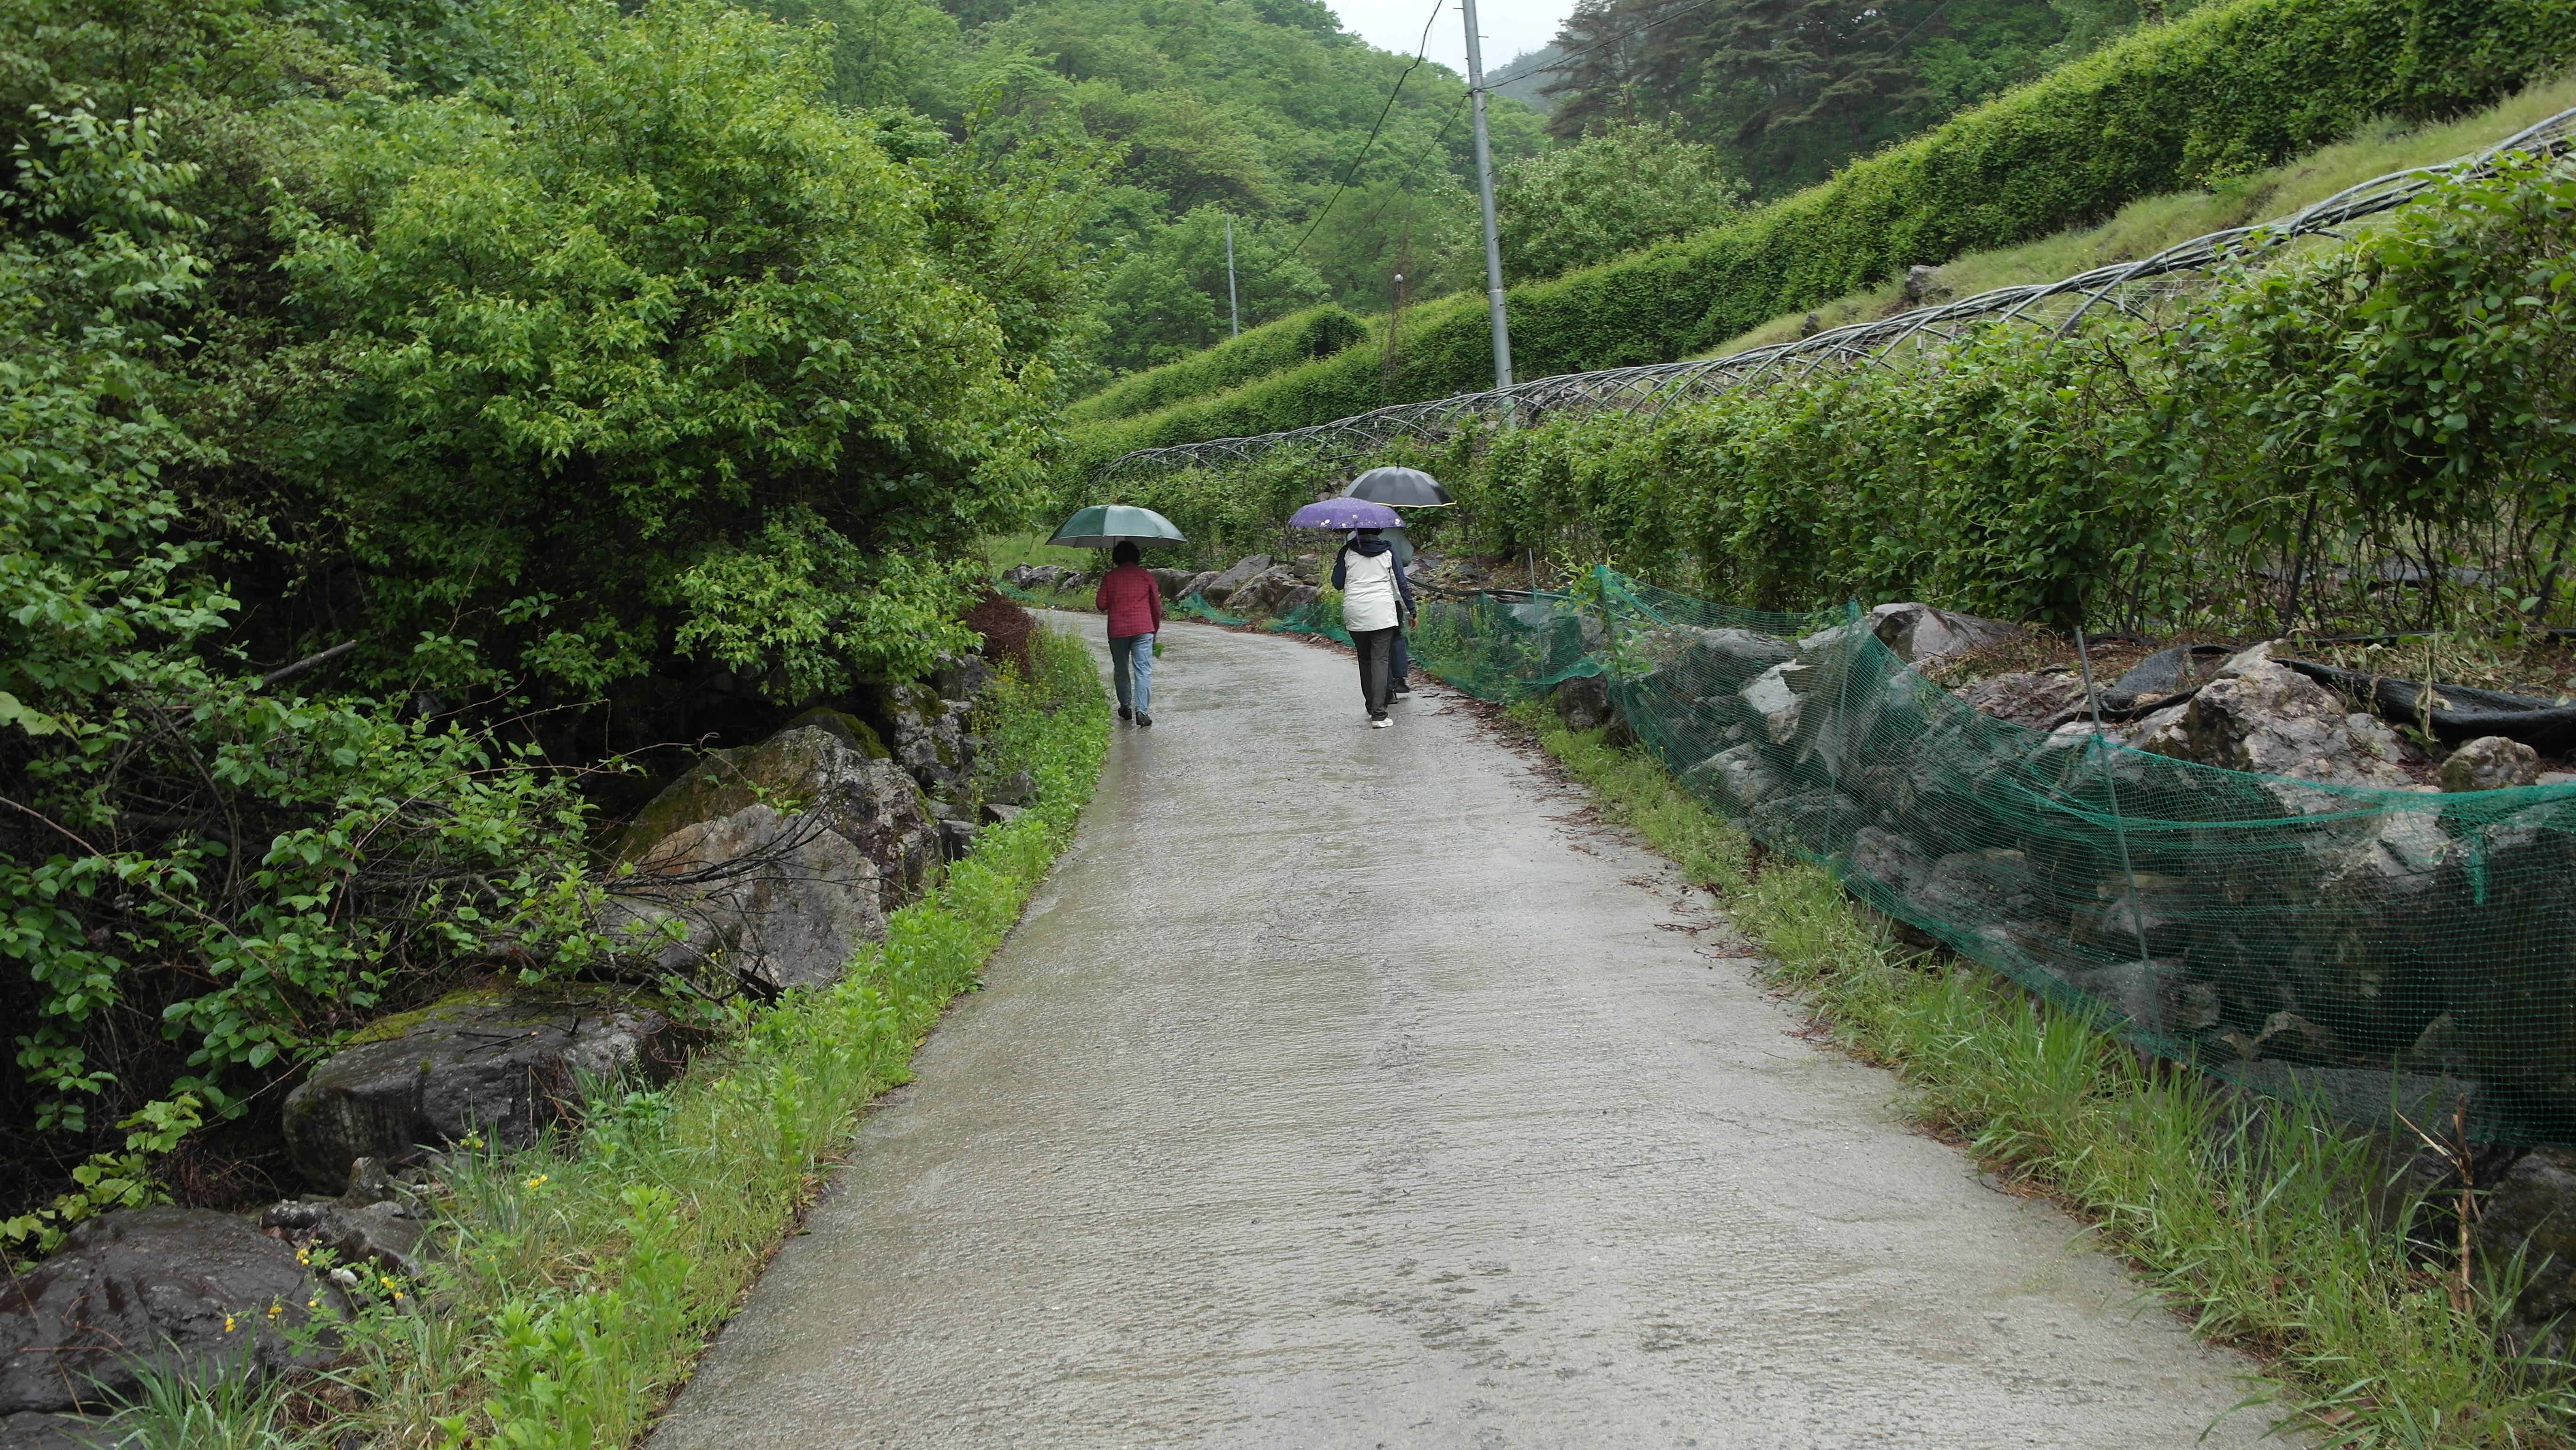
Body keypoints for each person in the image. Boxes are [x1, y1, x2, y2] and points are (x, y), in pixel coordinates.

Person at [1331, 527, 1414, 727]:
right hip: (1382, 611)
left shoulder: (1347, 551)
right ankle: (1379, 714)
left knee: (1365, 659)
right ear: (1380, 530)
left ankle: (1371, 707)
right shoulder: (1388, 550)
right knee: (1380, 660)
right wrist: (1411, 612)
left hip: (1355, 610)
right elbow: (1400, 584)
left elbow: (1338, 583)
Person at [1095, 540, 1163, 726]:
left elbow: (1101, 605)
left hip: (1118, 630)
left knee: (1121, 668)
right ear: (1136, 556)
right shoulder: (1146, 576)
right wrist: (1155, 629)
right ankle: (1142, 711)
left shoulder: (1110, 577)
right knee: (1143, 670)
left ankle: (1126, 707)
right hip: (1143, 629)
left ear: (1116, 557)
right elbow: (1156, 606)